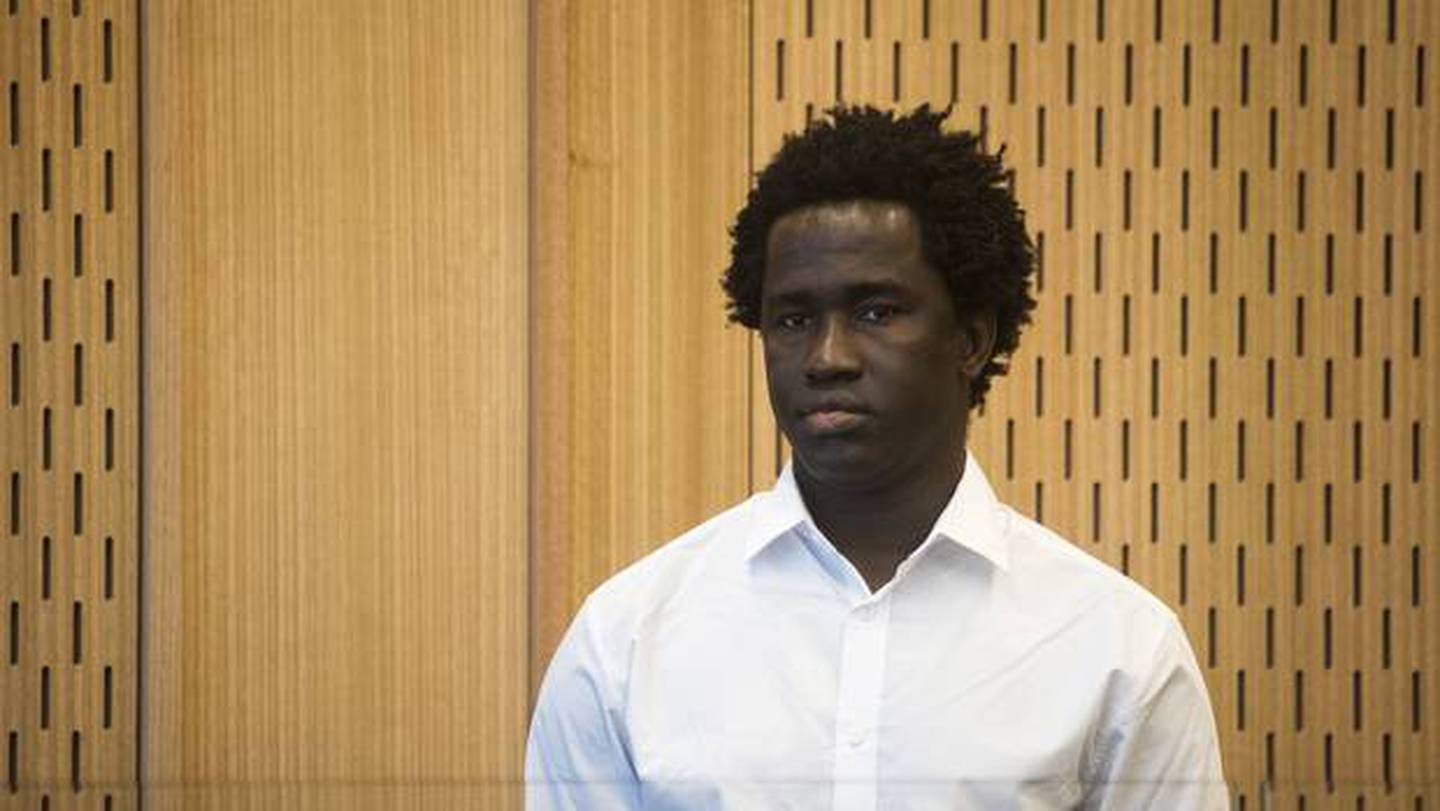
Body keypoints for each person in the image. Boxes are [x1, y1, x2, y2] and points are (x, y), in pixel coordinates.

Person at [525, 105, 1228, 810]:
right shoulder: (624, 640)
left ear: (972, 338)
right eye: (794, 319)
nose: (828, 357)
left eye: (876, 311)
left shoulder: (1116, 649)